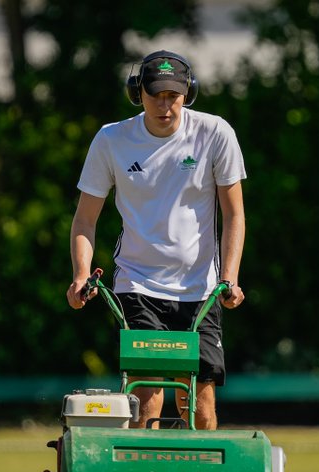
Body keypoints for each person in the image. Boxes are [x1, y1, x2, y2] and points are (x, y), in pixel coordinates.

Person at [66, 50, 246, 431]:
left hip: (201, 289)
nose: (165, 105)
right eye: (155, 95)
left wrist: (230, 278)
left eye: (173, 95)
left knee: (199, 404)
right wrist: (82, 275)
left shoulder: (215, 134)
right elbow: (85, 218)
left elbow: (234, 215)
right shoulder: (112, 140)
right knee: (147, 400)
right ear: (138, 93)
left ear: (188, 93)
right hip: (138, 283)